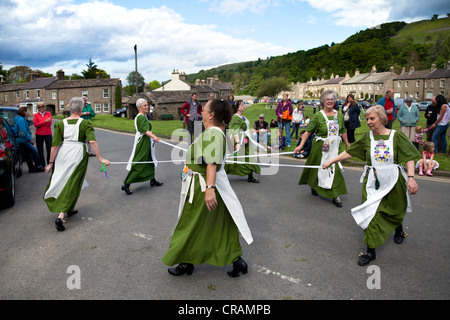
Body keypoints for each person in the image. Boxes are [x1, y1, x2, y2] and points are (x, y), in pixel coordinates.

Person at [162, 99, 253, 277]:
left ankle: (186, 263)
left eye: (204, 110)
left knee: (190, 224)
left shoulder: (213, 134)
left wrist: (209, 189)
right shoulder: (214, 133)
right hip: (203, 183)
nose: (201, 112)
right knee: (219, 224)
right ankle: (237, 261)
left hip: (203, 186)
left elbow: (211, 164)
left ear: (211, 115)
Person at [322, 105, 420, 266]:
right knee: (371, 214)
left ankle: (398, 228)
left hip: (393, 179)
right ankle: (370, 251)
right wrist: (331, 161)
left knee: (395, 208)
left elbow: (409, 156)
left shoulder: (396, 136)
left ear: (382, 119)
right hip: (373, 181)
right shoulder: (367, 138)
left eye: (372, 118)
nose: (368, 122)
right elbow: (350, 152)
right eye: (367, 119)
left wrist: (411, 178)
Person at [44, 97, 110, 232]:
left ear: (70, 109)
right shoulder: (85, 124)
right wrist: (101, 158)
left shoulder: (60, 124)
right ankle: (61, 215)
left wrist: (50, 163)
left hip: (63, 154)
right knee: (73, 182)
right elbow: (92, 142)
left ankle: (71, 208)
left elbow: (55, 145)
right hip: (78, 154)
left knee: (63, 180)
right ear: (81, 109)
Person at [294, 90, 349, 208]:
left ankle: (336, 196)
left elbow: (343, 130)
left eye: (332, 99)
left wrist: (347, 143)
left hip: (335, 148)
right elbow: (308, 132)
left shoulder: (339, 115)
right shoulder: (317, 116)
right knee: (318, 168)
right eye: (327, 99)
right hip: (321, 147)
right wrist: (300, 145)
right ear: (323, 101)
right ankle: (314, 185)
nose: (330, 101)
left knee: (334, 170)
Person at [121, 98, 163, 195]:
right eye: (145, 105)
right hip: (143, 142)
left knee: (150, 160)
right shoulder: (140, 117)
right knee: (139, 162)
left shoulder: (144, 117)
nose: (147, 107)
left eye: (147, 105)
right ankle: (126, 184)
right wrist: (154, 137)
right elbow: (145, 130)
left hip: (147, 141)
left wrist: (152, 138)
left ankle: (152, 179)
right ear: (140, 107)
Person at [225, 100, 263, 183]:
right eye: (242, 105)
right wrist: (238, 143)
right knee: (234, 158)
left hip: (245, 140)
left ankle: (250, 176)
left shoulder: (243, 117)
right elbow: (235, 130)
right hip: (239, 140)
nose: (244, 106)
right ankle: (218, 175)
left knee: (249, 157)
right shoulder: (235, 118)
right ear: (237, 108)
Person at [13, 106, 44, 172]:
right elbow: (22, 132)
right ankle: (39, 166)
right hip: (22, 140)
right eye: (27, 111)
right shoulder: (21, 120)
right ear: (24, 112)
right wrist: (29, 140)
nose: (28, 112)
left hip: (21, 140)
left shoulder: (21, 119)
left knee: (28, 154)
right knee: (34, 151)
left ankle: (31, 168)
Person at [33, 102, 53, 167]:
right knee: (40, 150)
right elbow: (36, 125)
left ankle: (49, 163)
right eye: (39, 107)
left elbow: (49, 123)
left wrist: (41, 123)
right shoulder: (35, 115)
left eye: (42, 106)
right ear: (38, 108)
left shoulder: (48, 113)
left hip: (48, 133)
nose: (41, 108)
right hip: (39, 134)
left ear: (44, 107)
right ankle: (42, 164)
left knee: (49, 149)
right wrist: (45, 121)